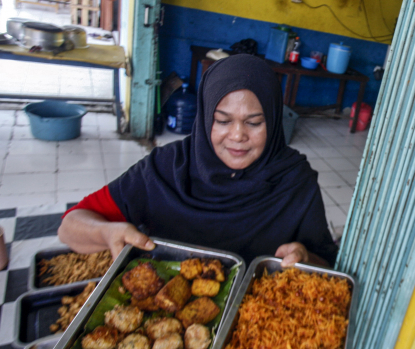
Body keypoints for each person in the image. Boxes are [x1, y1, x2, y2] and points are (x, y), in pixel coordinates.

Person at [58, 54, 337, 267]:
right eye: (222, 121)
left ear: (274, 122)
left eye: (254, 123)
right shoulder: (166, 168)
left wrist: (304, 259)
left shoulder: (295, 180)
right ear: (205, 120)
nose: (237, 135)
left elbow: (327, 262)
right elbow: (70, 227)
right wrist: (108, 232)